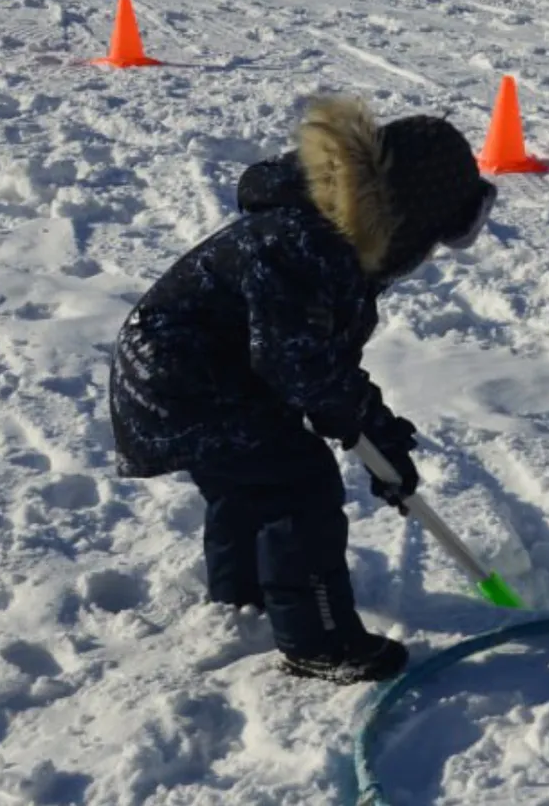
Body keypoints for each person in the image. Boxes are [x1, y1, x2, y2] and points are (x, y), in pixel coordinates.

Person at [109, 95, 497, 683]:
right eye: (433, 237)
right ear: (410, 219)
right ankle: (319, 640)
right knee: (298, 483)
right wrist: (359, 427)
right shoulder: (305, 244)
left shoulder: (333, 232)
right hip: (185, 383)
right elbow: (297, 366)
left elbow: (320, 359)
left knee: (248, 481)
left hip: (182, 375)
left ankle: (243, 594)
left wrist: (378, 433)